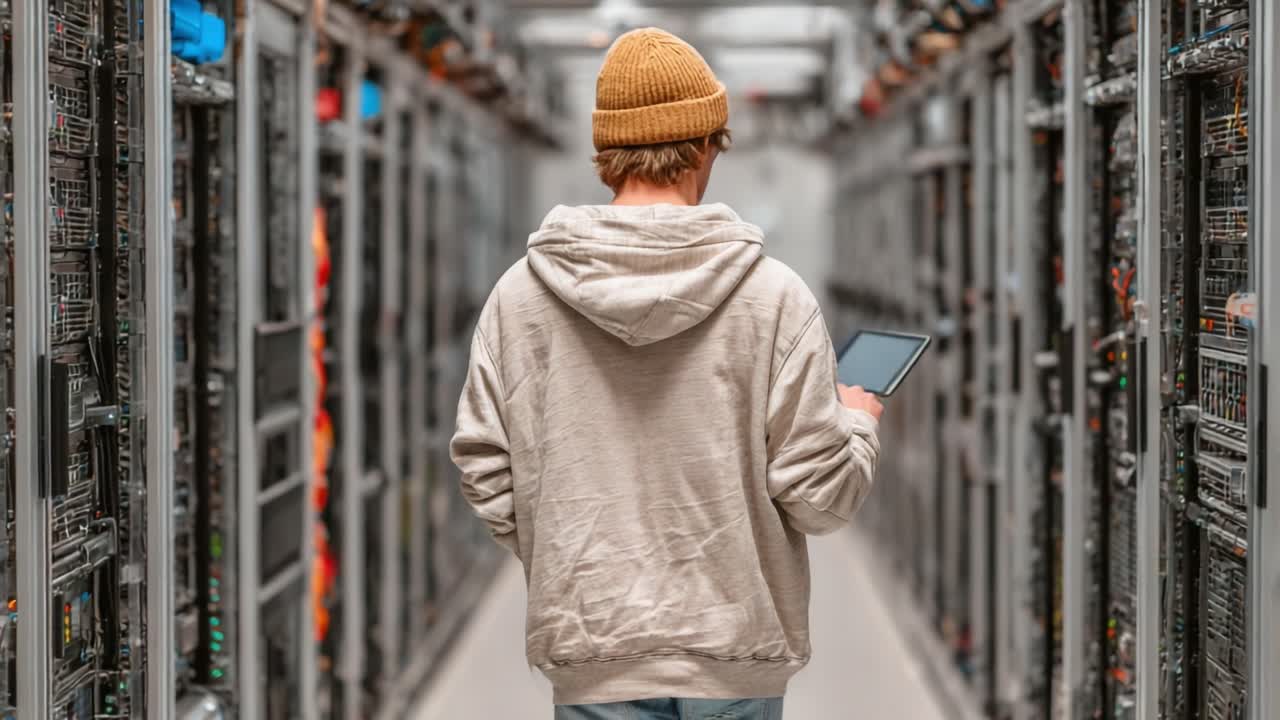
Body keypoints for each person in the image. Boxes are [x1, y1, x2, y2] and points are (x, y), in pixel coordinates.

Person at [450, 27, 883, 720]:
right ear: (708, 144)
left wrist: (564, 550)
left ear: (606, 150)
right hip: (736, 662)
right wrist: (857, 421)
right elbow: (817, 499)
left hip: (592, 651)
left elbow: (484, 466)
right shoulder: (774, 297)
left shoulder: (521, 296)